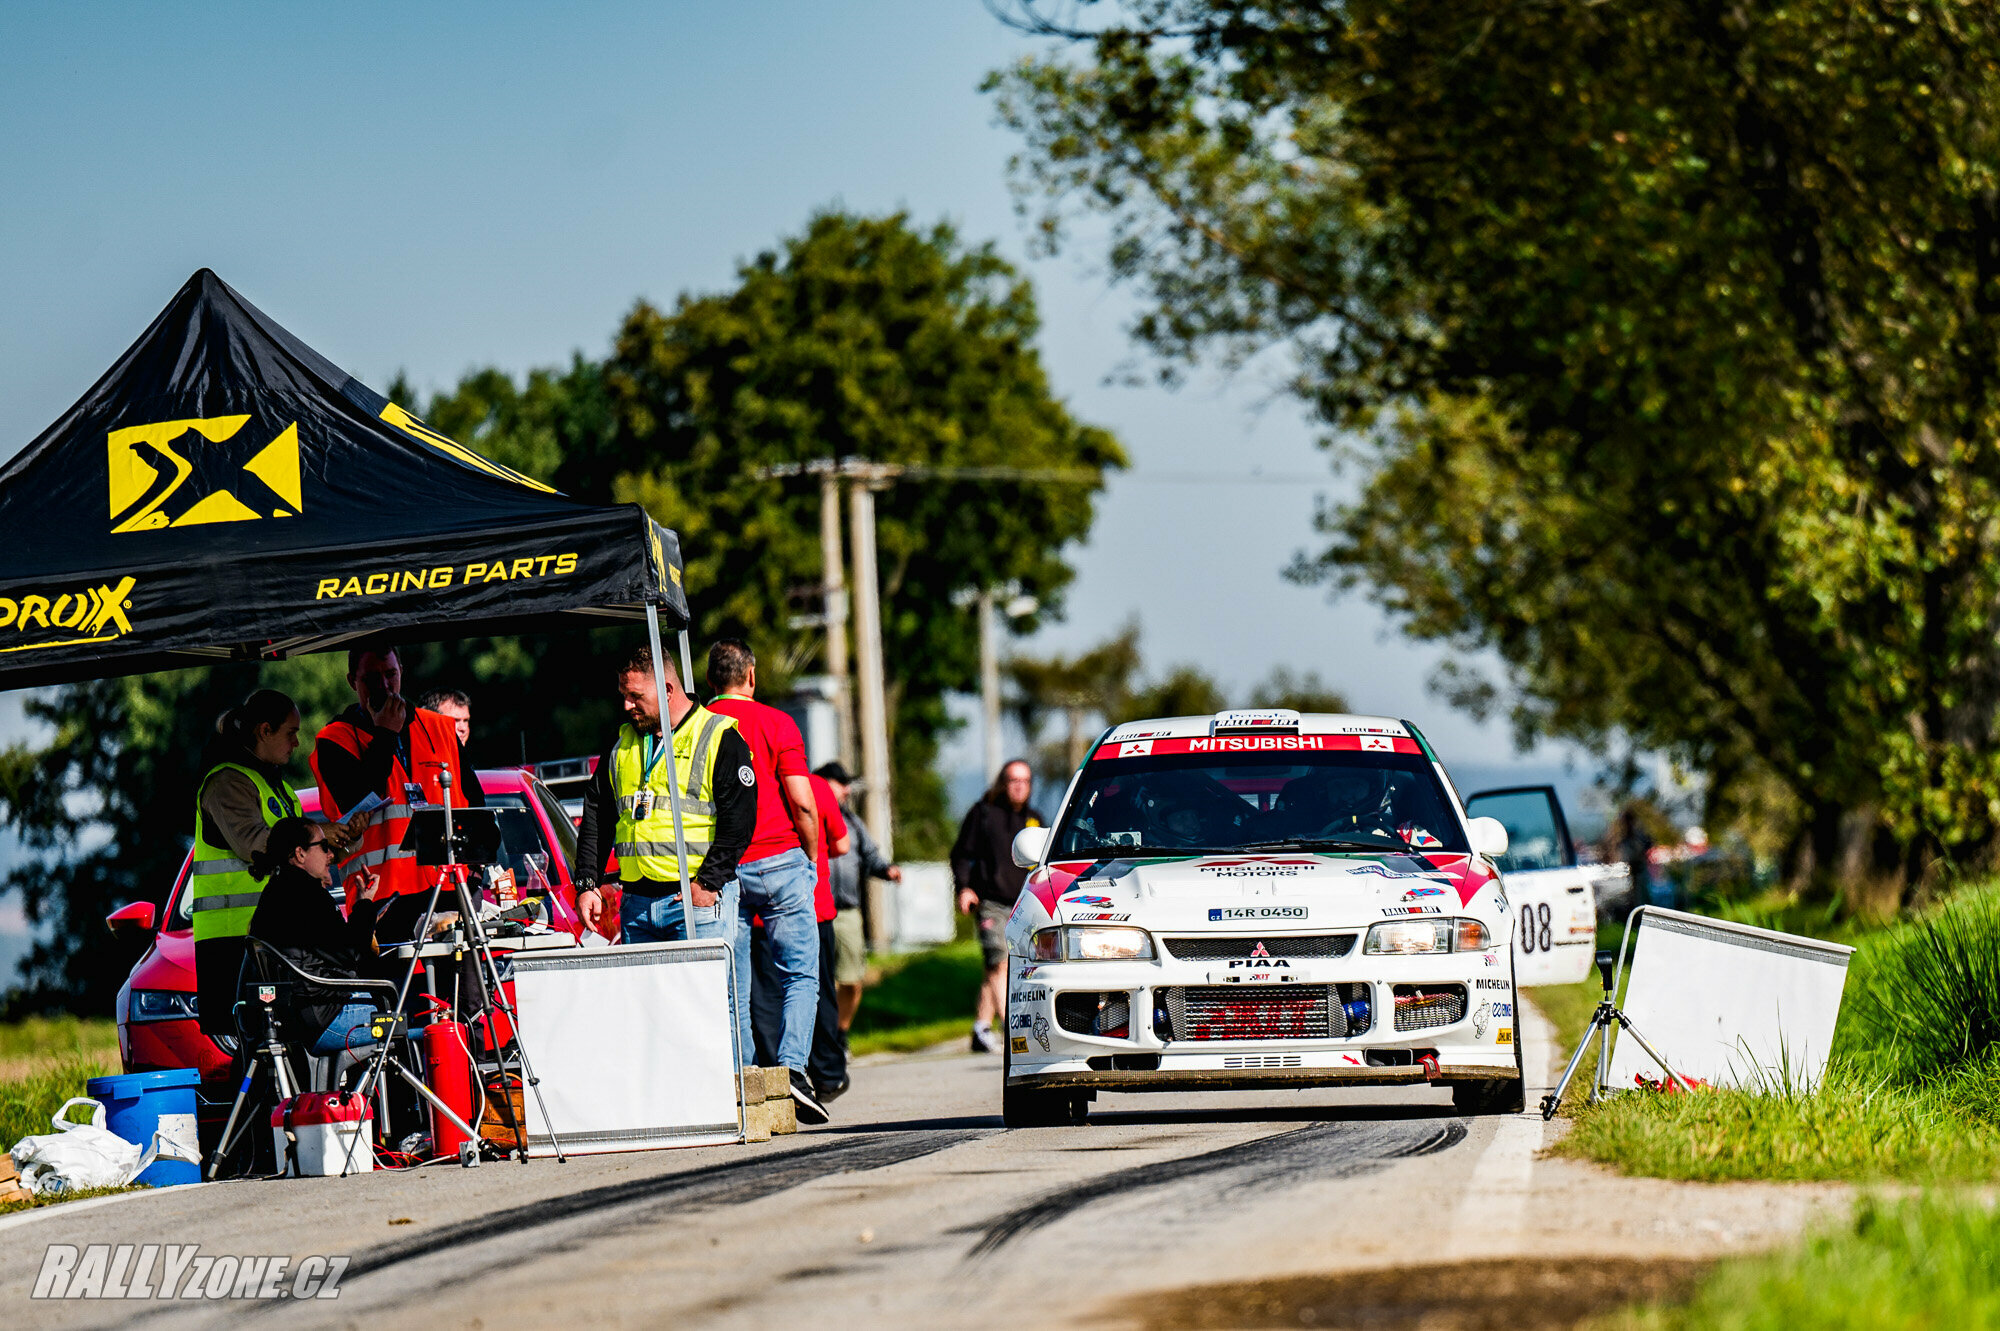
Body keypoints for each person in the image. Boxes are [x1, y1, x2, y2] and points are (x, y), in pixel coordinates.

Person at [703, 638, 829, 1124]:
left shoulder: (698, 727)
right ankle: (793, 1070)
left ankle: (744, 1076)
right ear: (751, 675)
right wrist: (812, 858)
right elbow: (801, 800)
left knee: (733, 981)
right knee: (800, 973)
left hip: (723, 867)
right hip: (780, 861)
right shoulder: (779, 723)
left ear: (711, 682)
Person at [572, 644, 756, 951]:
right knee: (646, 1000)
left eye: (636, 696)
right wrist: (587, 884)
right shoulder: (622, 744)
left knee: (703, 999)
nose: (627, 705)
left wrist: (709, 883)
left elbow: (740, 820)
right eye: (624, 696)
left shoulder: (718, 736)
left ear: (668, 689)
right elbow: (597, 815)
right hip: (636, 906)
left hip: (694, 903)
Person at [311, 644, 484, 940]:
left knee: (459, 987)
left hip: (449, 893)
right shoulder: (334, 740)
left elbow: (474, 803)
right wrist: (386, 733)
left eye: (391, 674)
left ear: (402, 671)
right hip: (380, 902)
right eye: (371, 678)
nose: (384, 686)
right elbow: (359, 797)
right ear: (353, 681)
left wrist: (477, 875)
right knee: (399, 987)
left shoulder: (439, 727)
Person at [192, 690, 306, 1040]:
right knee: (256, 1052)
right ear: (264, 730)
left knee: (280, 1047)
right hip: (233, 943)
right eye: (290, 732)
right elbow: (255, 844)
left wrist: (338, 838)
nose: (297, 742)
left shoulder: (278, 787)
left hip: (270, 938)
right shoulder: (227, 782)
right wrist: (318, 836)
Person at [245, 817, 390, 1059]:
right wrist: (364, 905)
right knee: (403, 1016)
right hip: (325, 1017)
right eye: (324, 847)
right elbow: (351, 953)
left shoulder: (277, 891)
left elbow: (339, 949)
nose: (331, 855)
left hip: (298, 1018)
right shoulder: (306, 895)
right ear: (300, 854)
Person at [749, 768, 850, 1098]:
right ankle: (827, 1072)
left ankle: (773, 1075)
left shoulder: (753, 783)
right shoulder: (817, 787)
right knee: (815, 988)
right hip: (814, 904)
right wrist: (813, 854)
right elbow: (843, 843)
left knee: (766, 996)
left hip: (757, 914)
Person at [951, 759, 1043, 1054]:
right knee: (999, 961)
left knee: (1003, 966)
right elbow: (962, 854)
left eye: (1025, 780)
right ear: (1003, 782)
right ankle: (1014, 1027)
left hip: (1025, 904)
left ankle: (981, 1028)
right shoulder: (983, 814)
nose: (1020, 786)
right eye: (1014, 780)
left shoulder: (1035, 820)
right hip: (990, 901)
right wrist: (965, 888)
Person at [815, 761, 900, 1043]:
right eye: (841, 782)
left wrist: (886, 870)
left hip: (847, 911)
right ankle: (821, 1038)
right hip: (814, 910)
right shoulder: (807, 814)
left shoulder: (851, 821)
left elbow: (870, 855)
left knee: (851, 980)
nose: (847, 789)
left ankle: (841, 1032)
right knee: (817, 981)